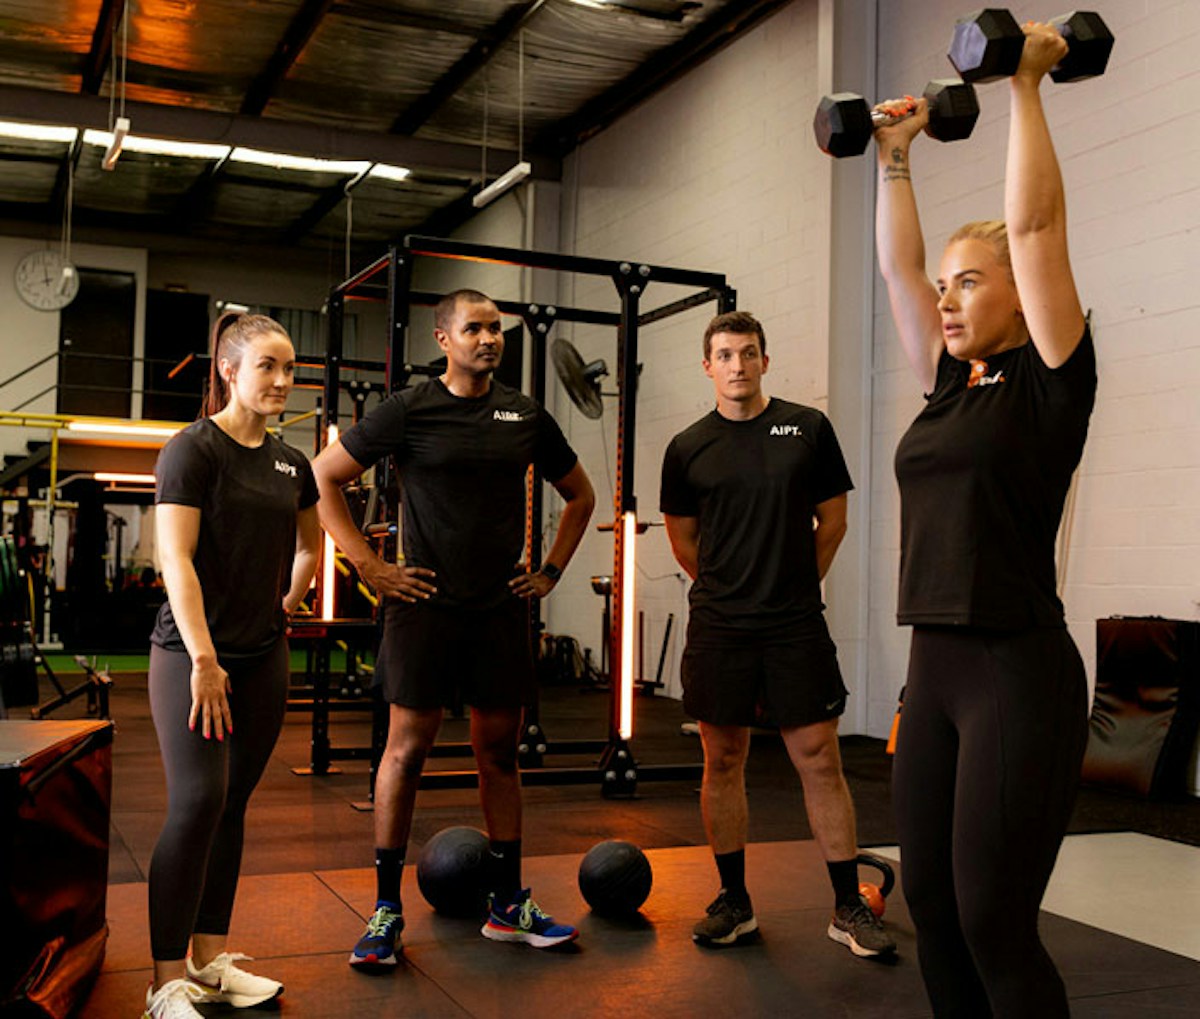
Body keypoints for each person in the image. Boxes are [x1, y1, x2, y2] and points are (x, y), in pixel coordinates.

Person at [872, 23, 1097, 1017]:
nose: (945, 297)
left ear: (1021, 297)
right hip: (936, 668)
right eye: (947, 283)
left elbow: (1040, 232)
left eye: (969, 281)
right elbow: (895, 272)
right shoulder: (947, 384)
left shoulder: (1050, 380)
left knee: (994, 914)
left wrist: (1025, 88)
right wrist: (893, 157)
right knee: (929, 901)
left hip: (1017, 670)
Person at [312, 288, 595, 968]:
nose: (489, 338)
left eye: (496, 328)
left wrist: (551, 571)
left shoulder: (525, 414)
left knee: (499, 752)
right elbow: (323, 478)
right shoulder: (410, 408)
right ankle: (385, 909)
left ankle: (508, 905)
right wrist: (371, 568)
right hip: (423, 601)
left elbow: (581, 495)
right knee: (406, 749)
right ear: (444, 338)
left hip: (498, 605)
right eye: (475, 328)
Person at [659, 310, 895, 958]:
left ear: (766, 360)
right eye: (726, 354)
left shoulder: (808, 429)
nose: (738, 365)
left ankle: (848, 906)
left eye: (749, 352)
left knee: (820, 757)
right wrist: (731, 586)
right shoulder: (686, 446)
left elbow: (834, 521)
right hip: (720, 625)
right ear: (708, 366)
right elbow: (684, 539)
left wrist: (792, 584)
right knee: (723, 758)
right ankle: (734, 901)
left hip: (794, 623)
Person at [144, 314, 321, 1019]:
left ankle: (211, 961)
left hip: (263, 653)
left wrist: (292, 597)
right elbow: (173, 559)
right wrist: (205, 658)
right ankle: (164, 982)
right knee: (195, 803)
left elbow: (310, 542)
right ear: (228, 369)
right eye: (267, 367)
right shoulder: (191, 452)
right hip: (192, 658)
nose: (281, 381)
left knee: (232, 805)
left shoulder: (290, 461)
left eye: (289, 368)